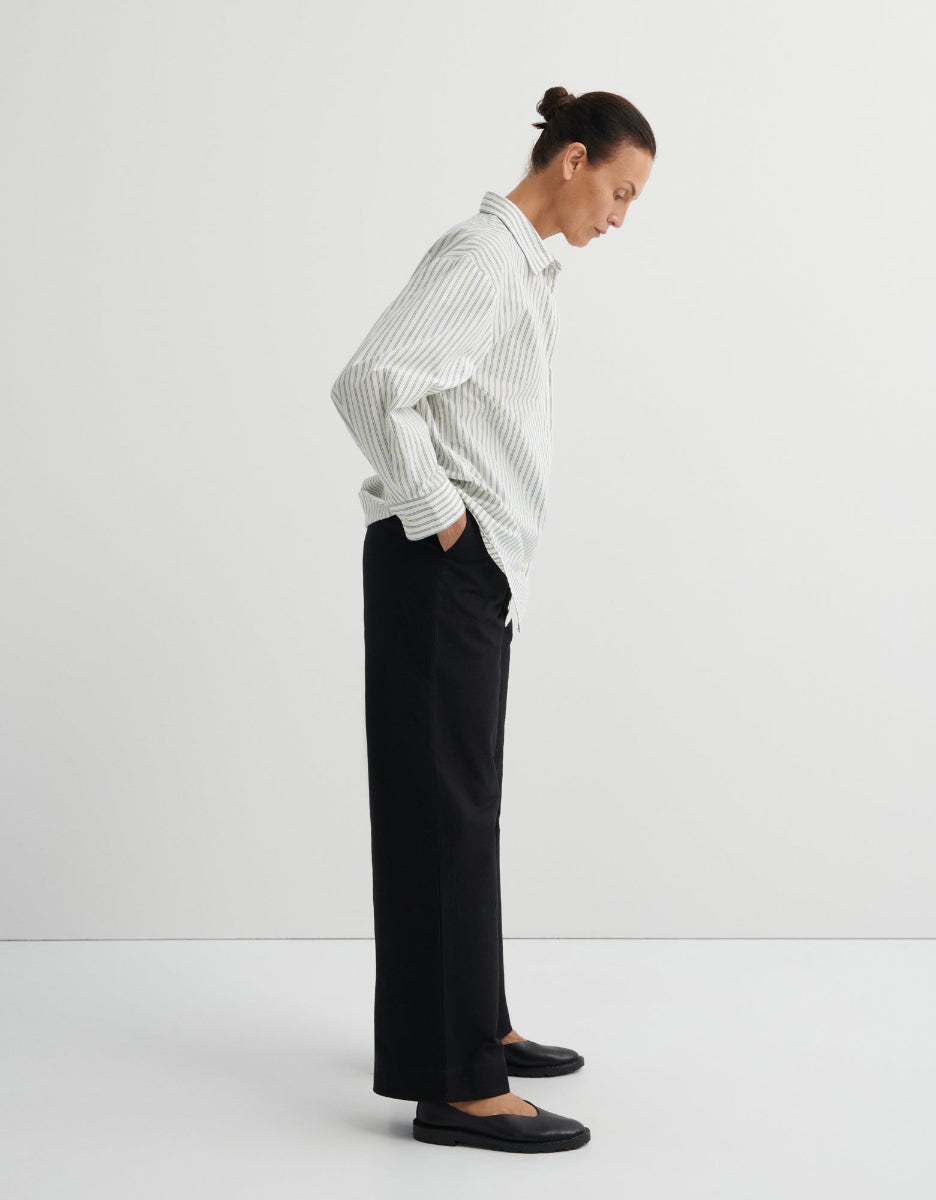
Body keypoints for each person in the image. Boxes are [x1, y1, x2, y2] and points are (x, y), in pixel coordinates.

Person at [330, 85, 655, 1153]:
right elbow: (373, 381)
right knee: (445, 814)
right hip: (440, 568)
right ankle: (458, 1088)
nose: (619, 216)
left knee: (461, 806)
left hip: (469, 573)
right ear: (569, 160)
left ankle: (476, 1023)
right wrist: (444, 520)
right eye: (617, 190)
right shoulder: (484, 258)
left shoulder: (523, 266)